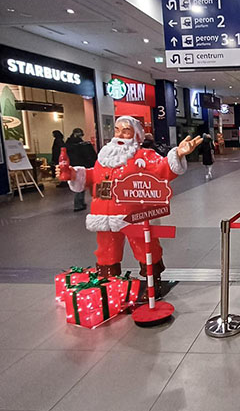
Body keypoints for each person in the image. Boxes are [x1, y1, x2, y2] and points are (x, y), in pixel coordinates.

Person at [65, 115, 201, 296]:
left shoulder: (144, 156)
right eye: (117, 130)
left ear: (136, 135)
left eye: (126, 131)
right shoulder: (104, 156)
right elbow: (93, 176)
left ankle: (154, 284)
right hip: (103, 215)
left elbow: (162, 168)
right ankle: (109, 284)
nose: (120, 135)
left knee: (146, 249)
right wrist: (74, 174)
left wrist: (177, 154)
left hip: (134, 215)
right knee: (106, 251)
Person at [65, 128, 97, 211]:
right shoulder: (81, 145)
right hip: (81, 166)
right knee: (80, 186)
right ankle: (78, 205)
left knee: (79, 186)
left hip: (74, 166)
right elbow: (87, 156)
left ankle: (79, 204)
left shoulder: (69, 144)